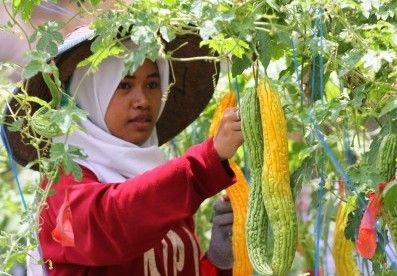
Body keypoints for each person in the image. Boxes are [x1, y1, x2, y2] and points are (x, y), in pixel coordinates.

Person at [5, 25, 243, 275]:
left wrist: (218, 262)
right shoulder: (64, 184)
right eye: (124, 86)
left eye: (152, 84)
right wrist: (206, 161)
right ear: (89, 94)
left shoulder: (163, 182)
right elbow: (110, 223)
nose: (142, 101)